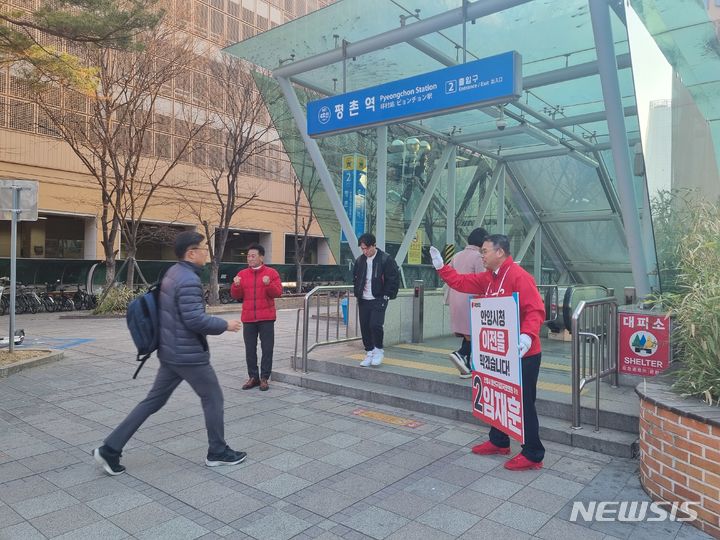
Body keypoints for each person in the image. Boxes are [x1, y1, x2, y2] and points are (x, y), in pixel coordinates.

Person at [93, 231, 245, 476]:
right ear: (191, 253)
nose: (206, 253)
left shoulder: (173, 273)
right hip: (188, 355)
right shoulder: (189, 280)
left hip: (171, 352)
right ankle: (217, 451)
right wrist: (225, 325)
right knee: (213, 397)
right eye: (203, 248)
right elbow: (194, 320)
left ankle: (110, 448)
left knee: (153, 401)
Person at [430, 234, 546, 471]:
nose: (481, 255)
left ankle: (533, 453)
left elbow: (536, 310)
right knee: (498, 394)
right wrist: (442, 268)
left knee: (522, 403)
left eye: (484, 251)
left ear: (500, 252)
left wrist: (527, 336)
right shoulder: (489, 278)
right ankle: (499, 440)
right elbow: (461, 283)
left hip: (524, 352)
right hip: (498, 353)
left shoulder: (520, 276)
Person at [230, 243, 282, 391]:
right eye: (248, 256)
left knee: (267, 349)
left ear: (261, 257)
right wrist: (236, 285)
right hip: (248, 318)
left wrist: (268, 284)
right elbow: (236, 296)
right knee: (250, 349)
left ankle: (264, 377)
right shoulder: (242, 274)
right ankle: (253, 377)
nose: (250, 258)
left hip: (266, 317)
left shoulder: (271, 273)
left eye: (253, 256)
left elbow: (277, 293)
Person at [352, 233, 400, 367]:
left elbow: (393, 279)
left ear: (374, 245)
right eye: (362, 249)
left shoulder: (386, 259)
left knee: (375, 325)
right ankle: (369, 352)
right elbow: (355, 278)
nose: (365, 251)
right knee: (365, 327)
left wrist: (386, 295)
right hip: (363, 299)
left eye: (367, 248)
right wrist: (357, 292)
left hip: (379, 298)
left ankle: (378, 350)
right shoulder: (360, 260)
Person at [446, 227, 487, 378]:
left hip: (456, 299)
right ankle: (460, 354)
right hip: (472, 301)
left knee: (468, 334)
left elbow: (449, 277)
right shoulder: (478, 257)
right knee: (475, 334)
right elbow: (483, 280)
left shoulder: (456, 255)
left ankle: (467, 367)